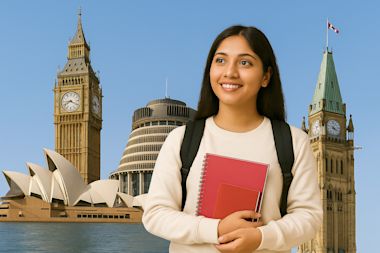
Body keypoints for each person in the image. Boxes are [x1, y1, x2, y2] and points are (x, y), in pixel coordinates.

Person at [142, 25, 322, 253]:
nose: (230, 72)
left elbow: (309, 217)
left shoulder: (293, 141)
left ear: (266, 76)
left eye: (245, 62)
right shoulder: (182, 139)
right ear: (209, 71)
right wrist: (216, 228)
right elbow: (156, 214)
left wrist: (260, 237)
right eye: (220, 61)